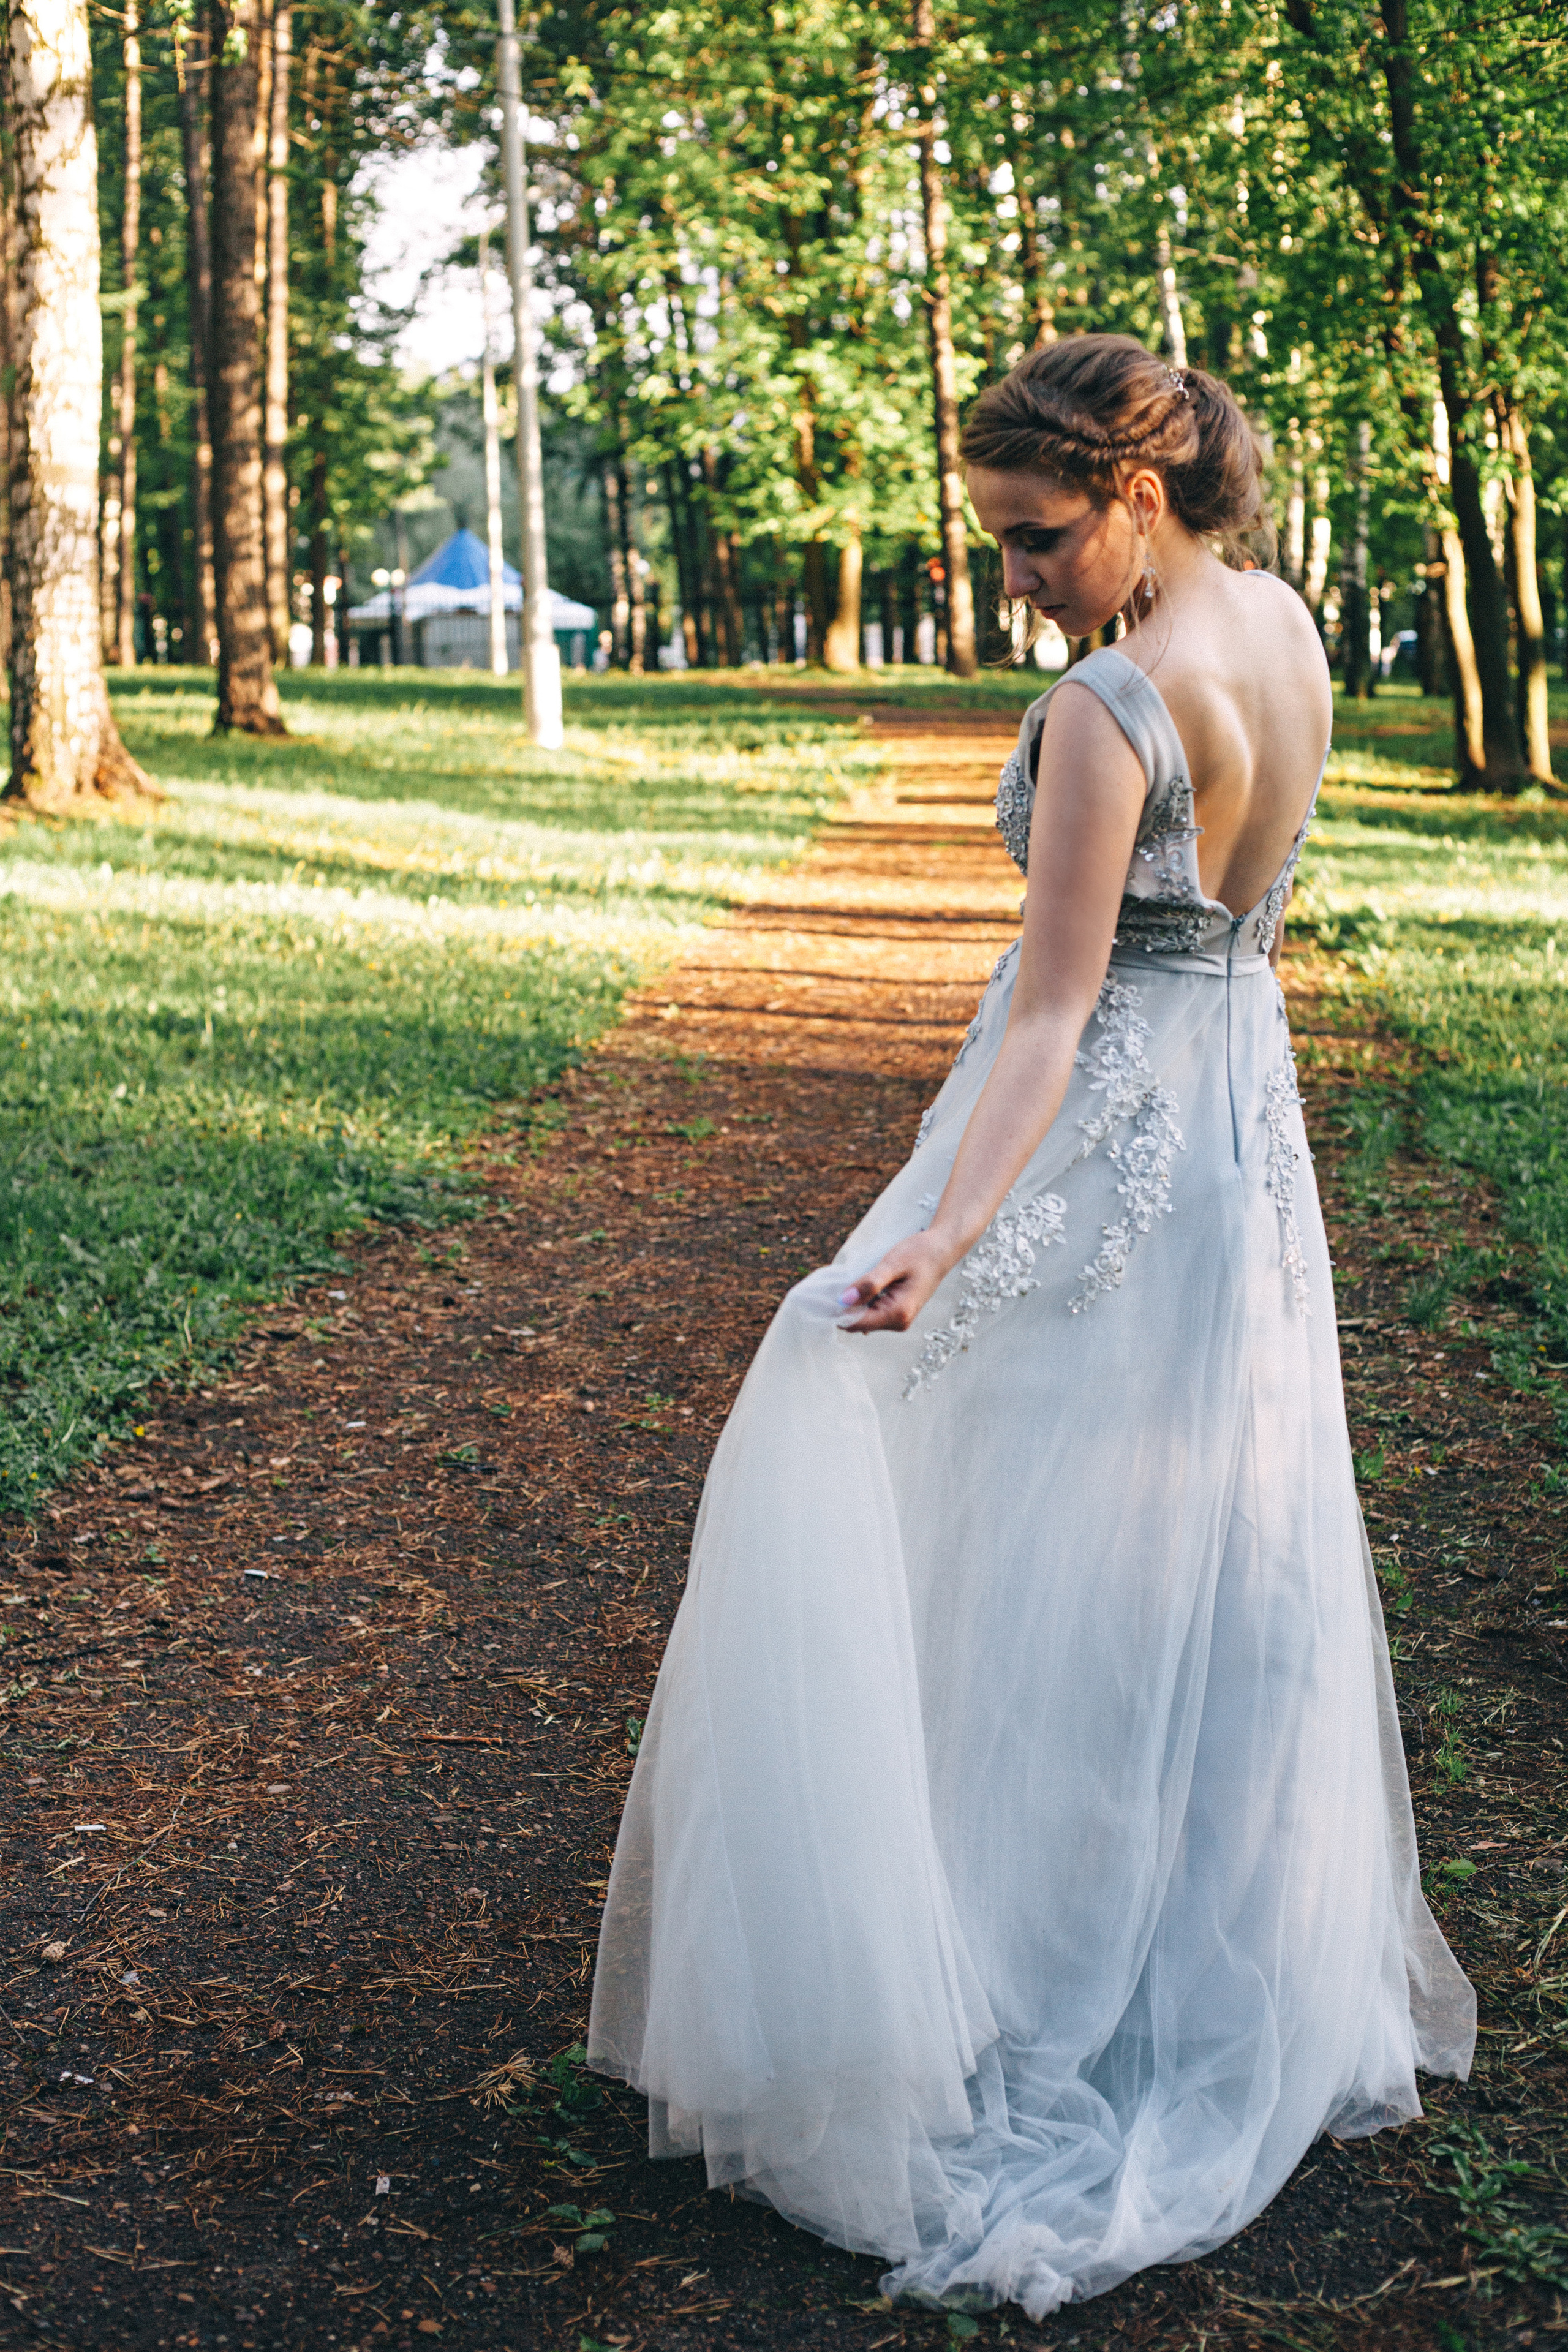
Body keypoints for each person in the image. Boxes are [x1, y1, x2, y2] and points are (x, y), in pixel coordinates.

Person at [587, 334, 1476, 2321]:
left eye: (1038, 537)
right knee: (1196, 1550)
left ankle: (999, 1967)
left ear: (1137, 493)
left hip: (1090, 1160)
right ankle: (1179, 1968)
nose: (1018, 580)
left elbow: (1057, 1013)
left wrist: (942, 1232)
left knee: (992, 1525)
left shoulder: (1106, 707)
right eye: (1000, 542)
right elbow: (1233, 926)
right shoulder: (1286, 624)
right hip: (1242, 1146)